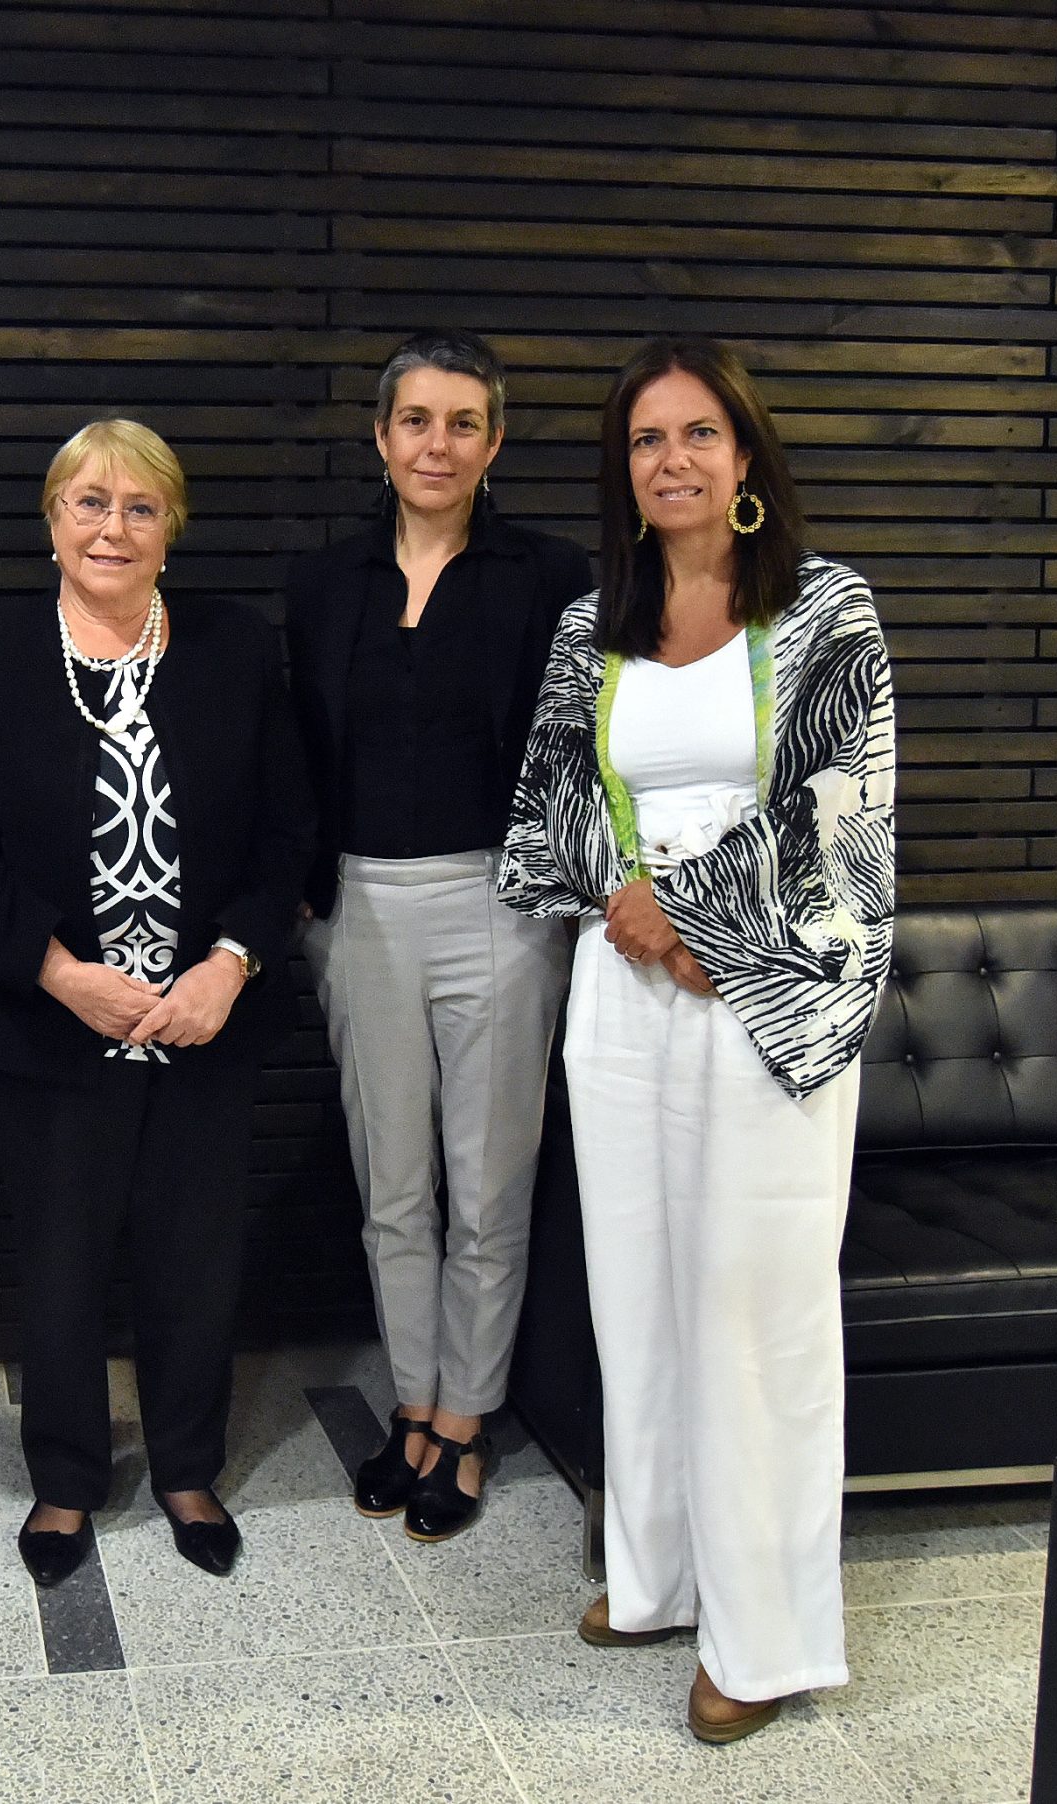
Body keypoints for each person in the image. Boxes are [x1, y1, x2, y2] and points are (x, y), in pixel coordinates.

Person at [499, 336, 896, 1743]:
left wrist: (696, 915)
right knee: (641, 1294)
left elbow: (846, 812)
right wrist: (622, 899)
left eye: (697, 434)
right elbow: (551, 799)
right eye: (646, 439)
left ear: (744, 457)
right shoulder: (589, 620)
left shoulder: (829, 611)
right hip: (621, 997)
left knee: (753, 1314)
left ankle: (768, 1638)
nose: (670, 460)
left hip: (764, 999)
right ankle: (657, 1573)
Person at [0, 419, 311, 1588]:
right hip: (53, 1021)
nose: (112, 527)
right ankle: (65, 1478)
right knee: (60, 1259)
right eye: (89, 503)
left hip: (203, 1022)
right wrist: (56, 971)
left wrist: (227, 965)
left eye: (140, 508)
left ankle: (187, 1463)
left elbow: (289, 826)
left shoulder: (235, 648)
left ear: (170, 529)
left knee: (194, 1256)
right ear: (50, 522)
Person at [285, 331, 589, 1544]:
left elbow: (571, 750)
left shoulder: (549, 573)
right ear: (380, 435)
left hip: (500, 905)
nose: (437, 443)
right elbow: (296, 746)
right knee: (391, 1183)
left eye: (463, 422)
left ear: (493, 441)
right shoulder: (324, 579)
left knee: (489, 1179)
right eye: (416, 419)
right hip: (357, 902)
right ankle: (410, 1398)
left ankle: (466, 1417)